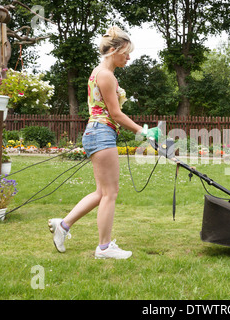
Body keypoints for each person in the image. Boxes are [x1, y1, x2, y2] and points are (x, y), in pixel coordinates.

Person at [48, 26, 161, 259]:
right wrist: (145, 132)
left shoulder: (102, 72)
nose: (129, 57)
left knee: (102, 192)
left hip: (98, 132)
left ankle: (64, 225)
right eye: (126, 52)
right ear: (114, 50)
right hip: (101, 132)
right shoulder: (106, 75)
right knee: (111, 193)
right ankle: (104, 247)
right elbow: (116, 113)